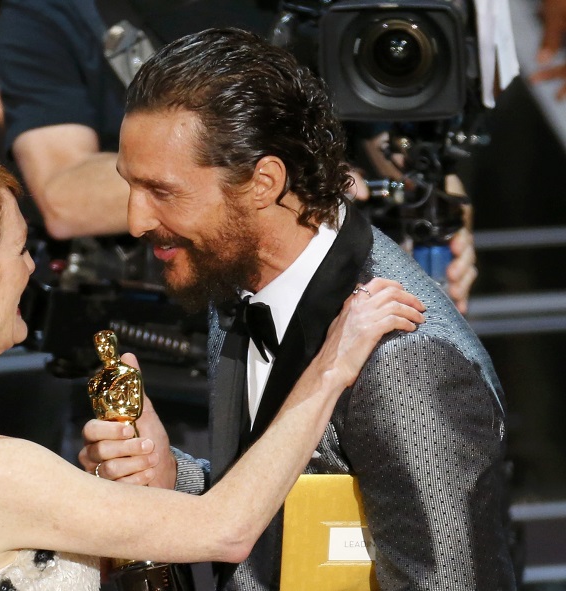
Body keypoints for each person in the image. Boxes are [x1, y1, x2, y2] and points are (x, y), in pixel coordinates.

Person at [0, 148, 424, 591]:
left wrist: (104, 500)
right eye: (22, 250)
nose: (36, 270)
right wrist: (332, 365)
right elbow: (227, 530)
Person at [79, 28, 516, 590]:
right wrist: (174, 478)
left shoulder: (405, 360)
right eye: (130, 187)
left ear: (263, 182)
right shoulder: (236, 282)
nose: (135, 220)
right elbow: (291, 515)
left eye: (163, 191)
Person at [0, 0, 480, 313]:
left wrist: (439, 211)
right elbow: (63, 192)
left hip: (344, 318)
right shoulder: (53, 12)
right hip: (159, 338)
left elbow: (392, 129)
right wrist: (286, 178)